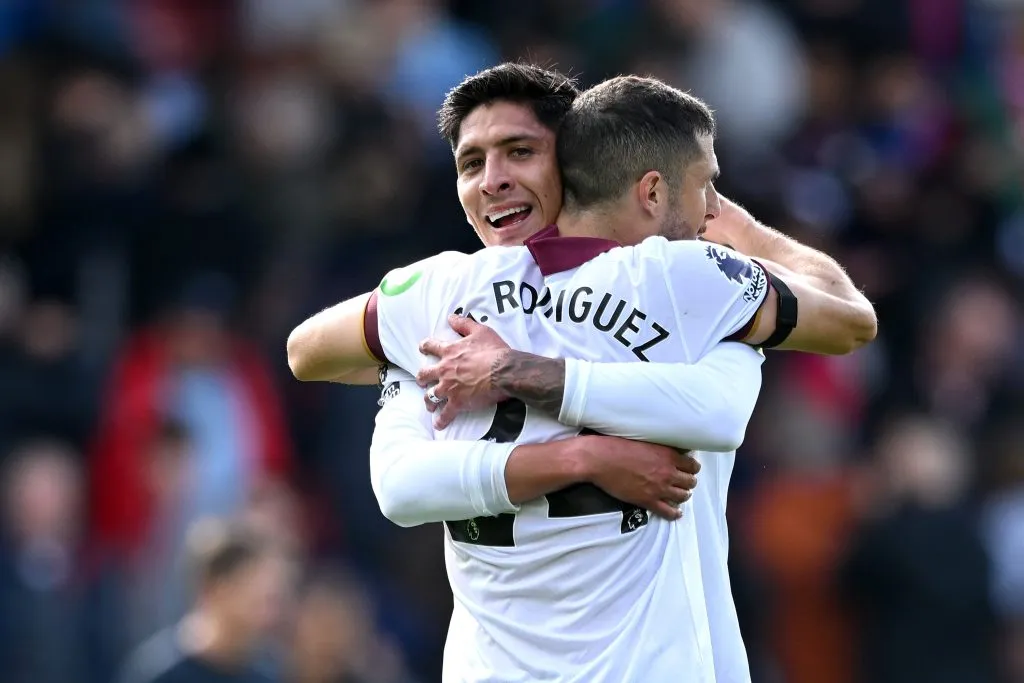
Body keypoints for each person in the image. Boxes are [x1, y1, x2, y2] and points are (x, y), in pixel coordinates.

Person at [290, 67, 876, 682]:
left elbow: (308, 352)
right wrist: (747, 233)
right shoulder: (683, 278)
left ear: (572, 162)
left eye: (520, 152)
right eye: (471, 163)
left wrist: (426, 360)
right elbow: (851, 321)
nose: (494, 181)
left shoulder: (438, 296)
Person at [117, 520, 292, 683]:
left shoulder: (268, 674)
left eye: (273, 600)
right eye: (259, 600)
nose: (270, 614)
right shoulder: (160, 671)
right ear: (214, 588)